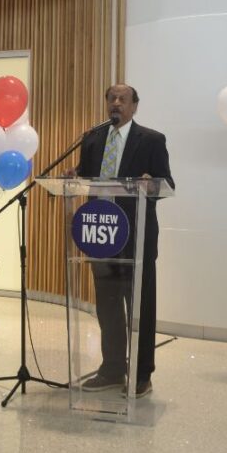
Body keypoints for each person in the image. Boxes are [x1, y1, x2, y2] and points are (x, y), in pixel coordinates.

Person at [74, 84, 174, 398]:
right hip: (100, 233)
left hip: (136, 234)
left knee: (140, 306)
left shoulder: (152, 140)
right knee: (107, 305)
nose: (116, 103)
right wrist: (72, 175)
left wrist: (152, 184)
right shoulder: (92, 138)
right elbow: (86, 175)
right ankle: (113, 369)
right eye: (112, 99)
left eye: (123, 99)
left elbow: (167, 183)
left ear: (134, 106)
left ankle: (142, 374)